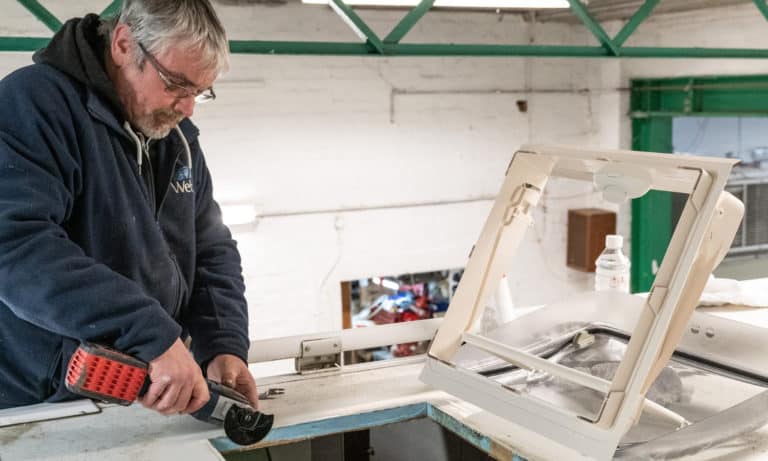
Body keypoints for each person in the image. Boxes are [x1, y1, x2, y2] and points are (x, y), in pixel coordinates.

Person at [0, 0, 257, 416]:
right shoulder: (33, 105)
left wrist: (223, 344)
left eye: (199, 92)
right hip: (33, 406)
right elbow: (16, 245)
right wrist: (149, 334)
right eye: (176, 84)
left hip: (136, 387)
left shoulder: (178, 140)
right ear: (123, 44)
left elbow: (210, 249)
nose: (187, 107)